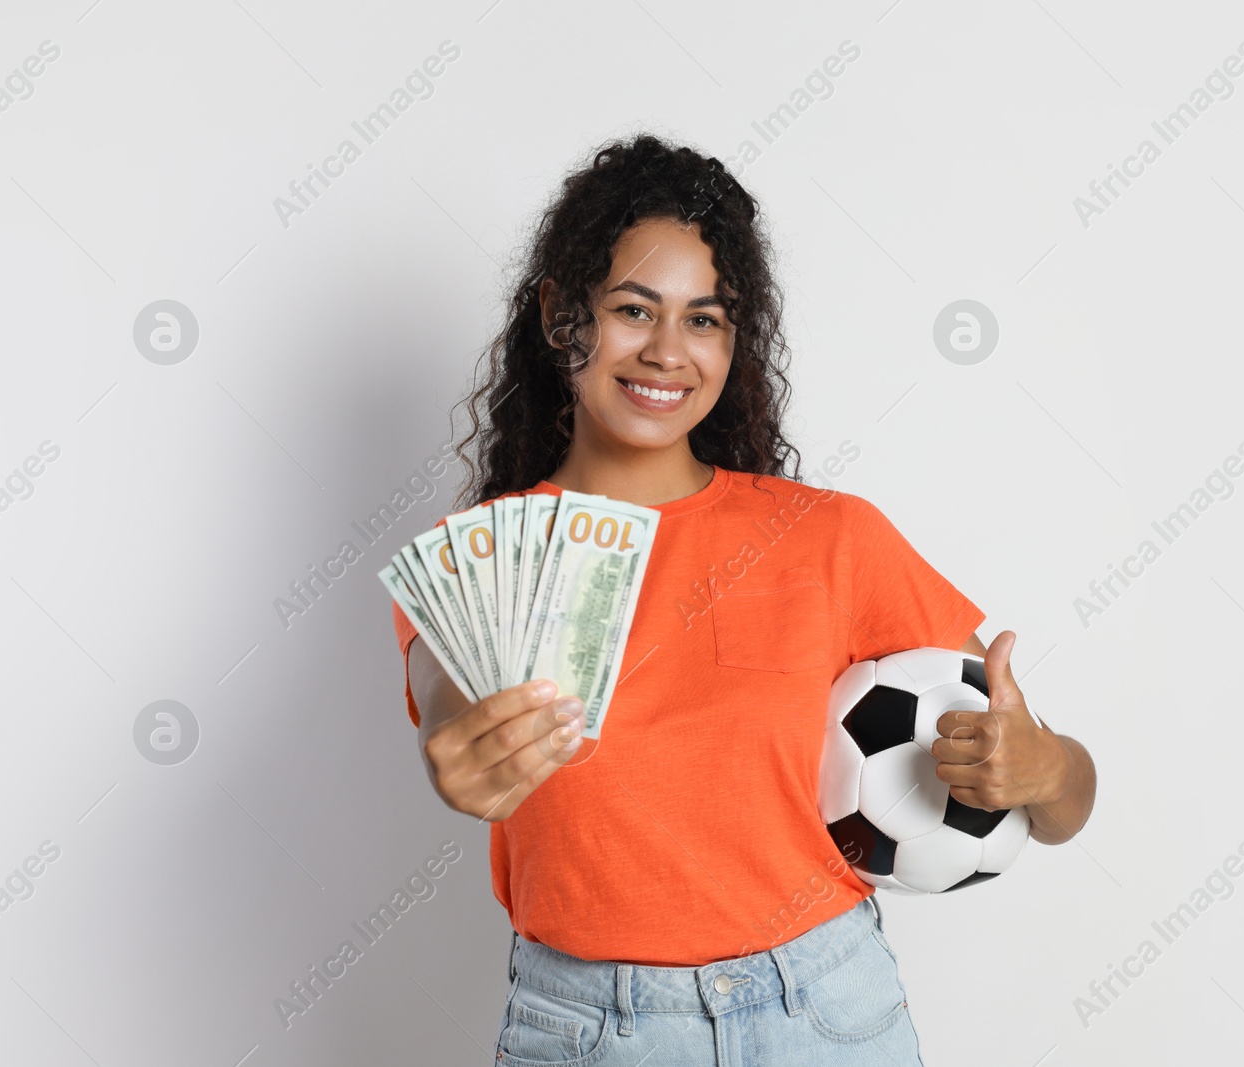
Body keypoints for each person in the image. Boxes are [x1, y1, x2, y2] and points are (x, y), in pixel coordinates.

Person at [390, 133, 1096, 1066]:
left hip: (828, 1014)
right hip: (592, 1030)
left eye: (706, 319)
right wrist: (463, 752)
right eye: (633, 309)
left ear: (736, 339)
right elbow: (449, 697)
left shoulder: (831, 537)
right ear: (562, 315)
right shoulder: (481, 565)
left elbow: (1063, 797)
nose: (667, 352)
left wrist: (1043, 771)